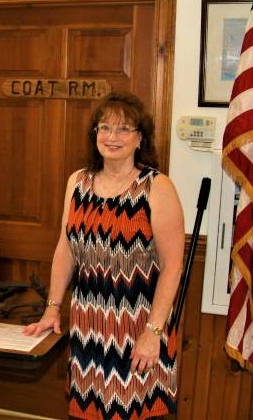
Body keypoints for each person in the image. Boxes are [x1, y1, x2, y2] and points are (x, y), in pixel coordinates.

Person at [24, 91, 184, 419]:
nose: (112, 137)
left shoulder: (157, 187)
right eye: (105, 127)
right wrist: (52, 308)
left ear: (141, 138)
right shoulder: (77, 182)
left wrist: (153, 333)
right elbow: (66, 248)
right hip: (89, 327)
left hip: (139, 328)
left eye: (124, 129)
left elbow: (172, 267)